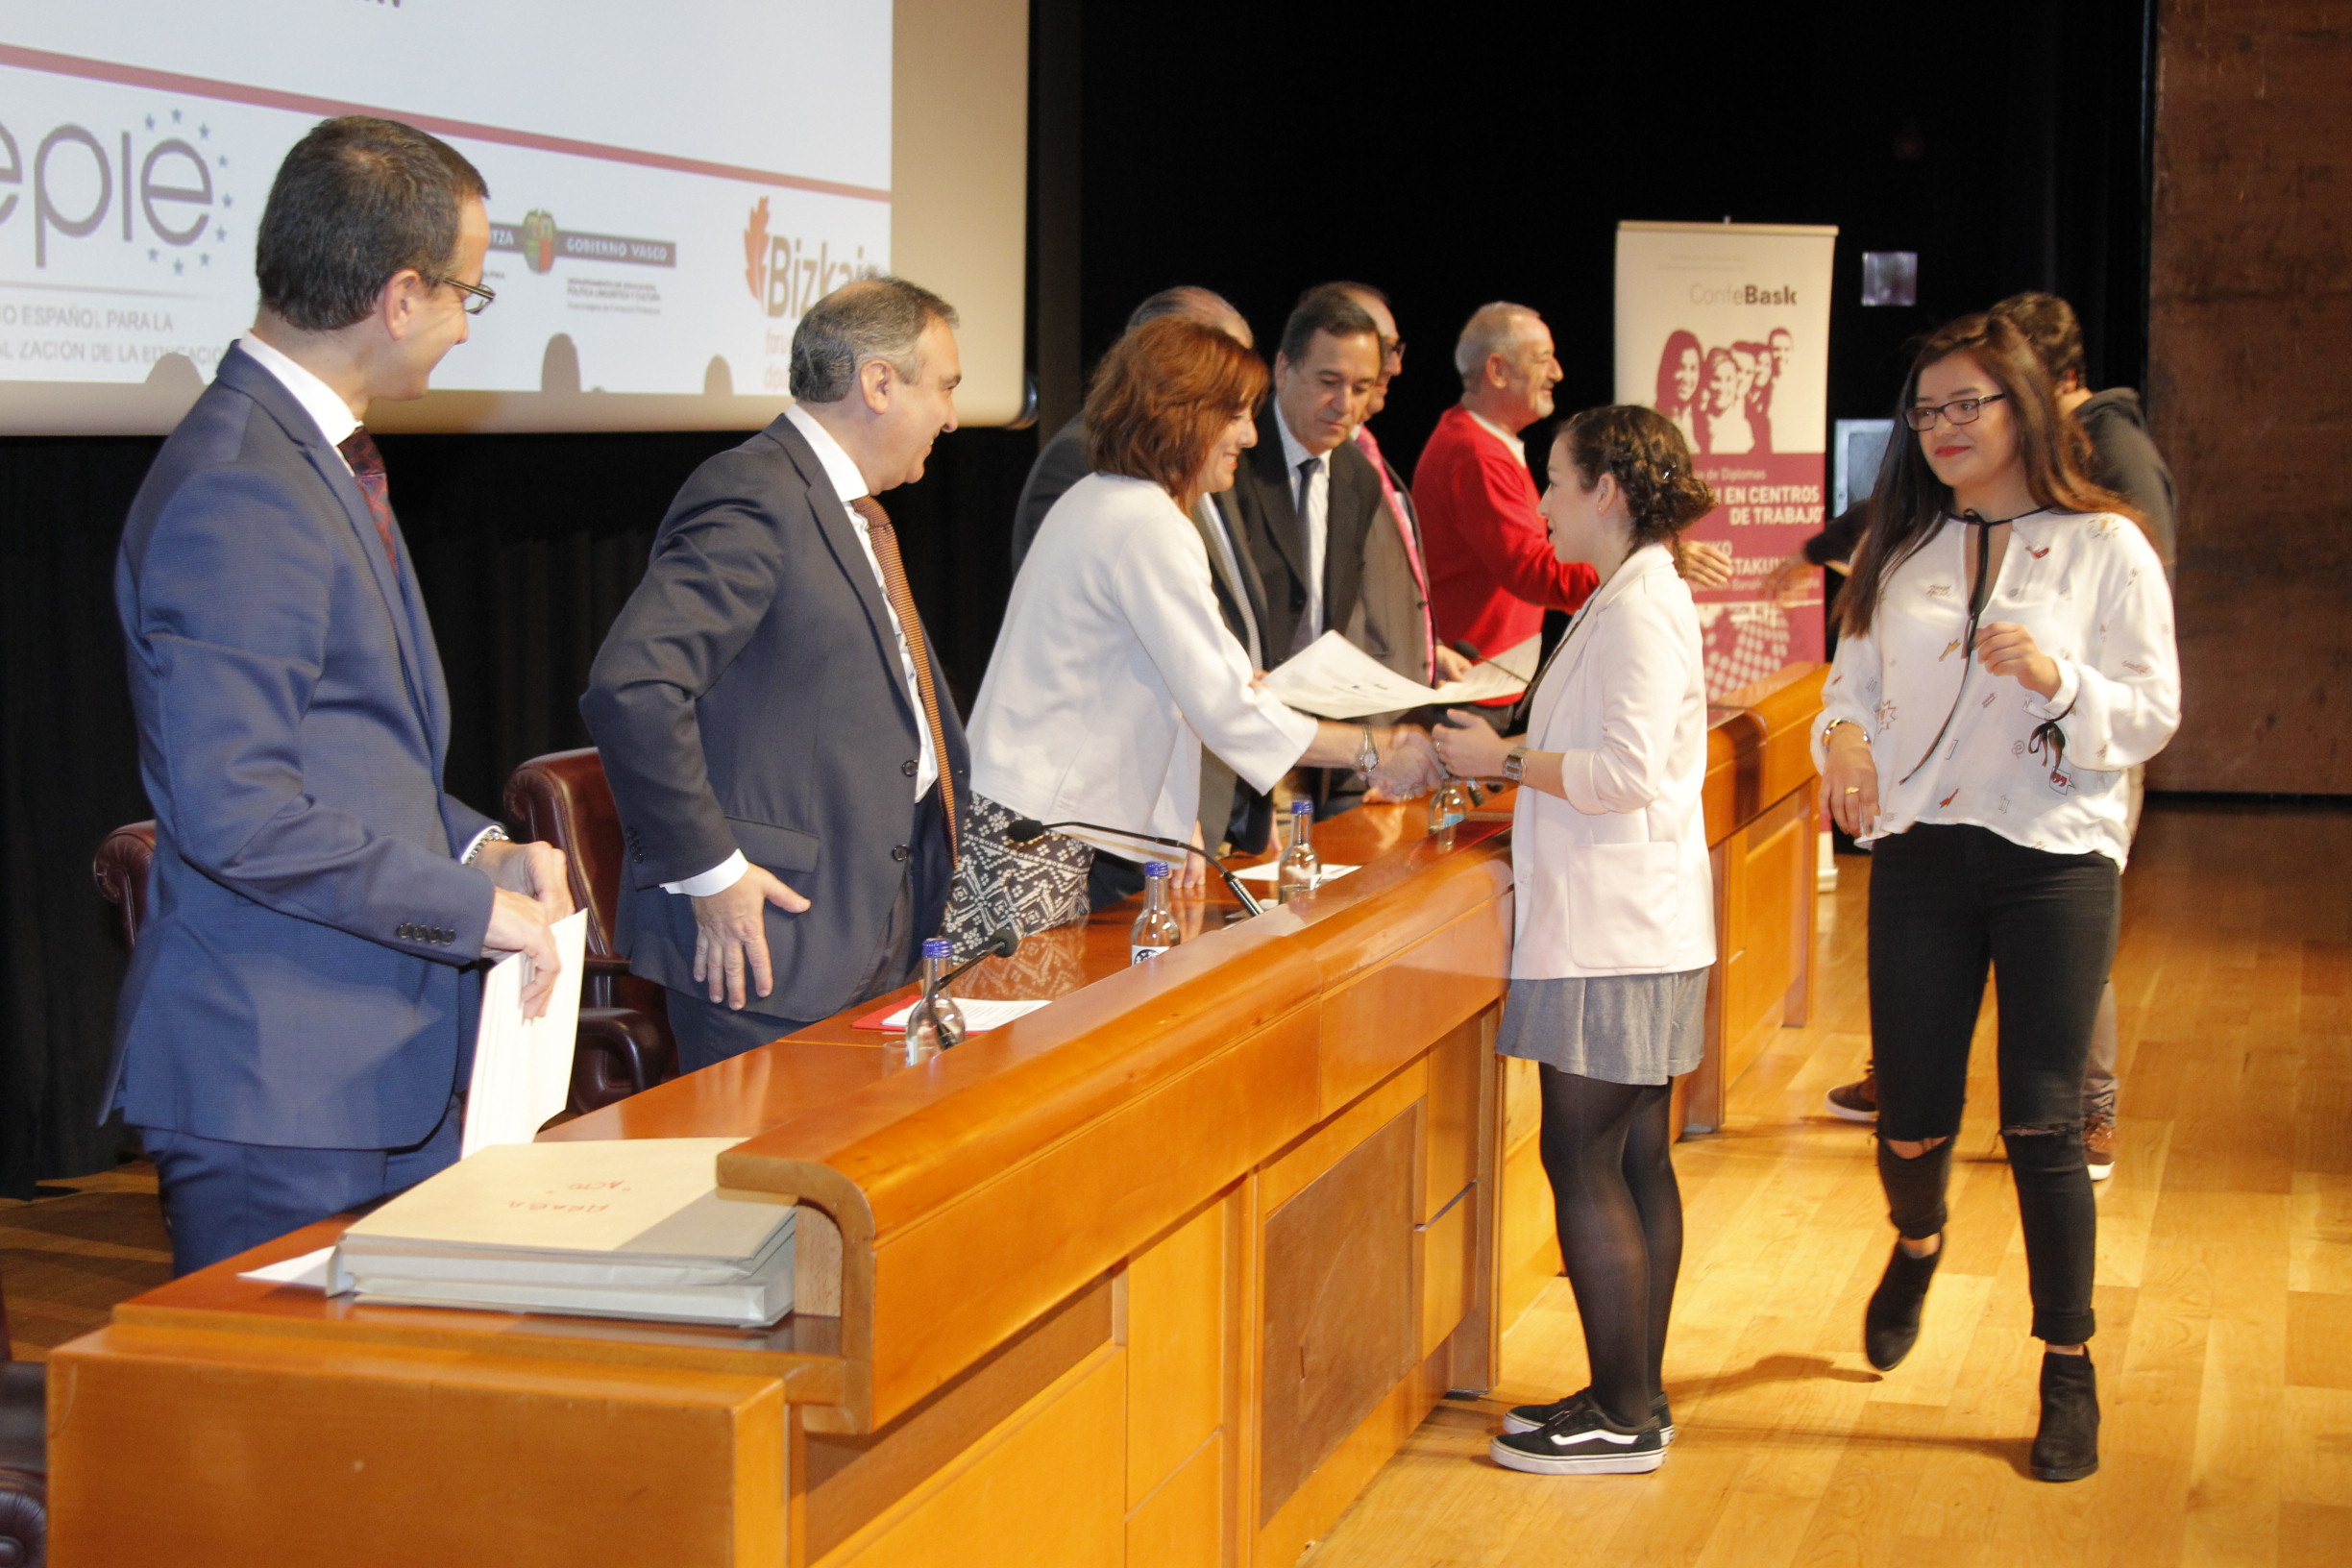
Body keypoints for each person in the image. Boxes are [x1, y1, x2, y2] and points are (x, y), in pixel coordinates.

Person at [110, 116, 573, 1276]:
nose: (469, 329)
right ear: (402, 295)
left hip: (360, 1066)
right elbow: (235, 811)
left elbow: (351, 752)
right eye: (471, 295)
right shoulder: (242, 489)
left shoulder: (308, 459)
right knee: (291, 1452)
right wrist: (471, 915)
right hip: (285, 1089)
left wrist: (477, 852)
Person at [1816, 311, 2177, 1482]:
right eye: (1926, 411)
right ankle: (1917, 1242)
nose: (1943, 429)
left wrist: (2062, 676)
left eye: (1967, 403)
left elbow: (2153, 710)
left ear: (2025, 406)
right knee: (1913, 1115)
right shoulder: (1901, 548)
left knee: (2043, 1122)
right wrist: (1845, 744)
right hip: (1923, 855)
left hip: (2053, 857)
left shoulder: (2106, 546)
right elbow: (1850, 684)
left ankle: (2066, 1365)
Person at [581, 276, 969, 1072]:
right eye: (946, 388)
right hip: (770, 949)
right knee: (767, 1197)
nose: (954, 417)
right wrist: (712, 875)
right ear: (879, 383)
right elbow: (635, 687)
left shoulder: (849, 507)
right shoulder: (755, 491)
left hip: (874, 919)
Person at [1430, 405, 1717, 1477]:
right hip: (1626, 924)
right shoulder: (1628, 596)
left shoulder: (1642, 606)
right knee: (1632, 1158)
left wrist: (1504, 760)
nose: (1539, 500)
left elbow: (1625, 774)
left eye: (1553, 479)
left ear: (1607, 491)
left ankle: (1627, 1414)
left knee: (1585, 1157)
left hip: (1616, 931)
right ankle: (1628, 1394)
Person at [951, 316, 1439, 942]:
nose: (1249, 435)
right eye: (1235, 414)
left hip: (1027, 824)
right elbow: (1225, 707)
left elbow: (1164, 687)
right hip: (1035, 838)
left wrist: (1174, 821)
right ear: (1184, 414)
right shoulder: (1145, 523)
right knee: (1023, 1028)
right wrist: (1373, 750)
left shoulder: (1104, 500)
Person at [1009, 287, 1269, 894]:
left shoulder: (1178, 468)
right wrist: (1371, 749)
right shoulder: (1097, 472)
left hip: (1177, 816)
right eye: (1228, 401)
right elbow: (1103, 667)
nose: (1248, 432)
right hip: (1096, 832)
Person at [1420, 304, 1730, 727]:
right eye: (1542, 358)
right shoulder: (1474, 454)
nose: (1558, 373)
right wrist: (1626, 565)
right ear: (1496, 370)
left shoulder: (1480, 443)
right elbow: (1534, 569)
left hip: (1484, 680)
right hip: (1470, 688)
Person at [1653, 330, 1703, 450]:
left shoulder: (1705, 421)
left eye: (1693, 368)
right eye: (1681, 367)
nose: (1687, 378)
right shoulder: (1652, 422)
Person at [1697, 346, 1752, 454]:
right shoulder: (1695, 423)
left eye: (1729, 379)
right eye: (1716, 379)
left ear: (1736, 383)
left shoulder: (1743, 430)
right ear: (1706, 382)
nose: (1722, 387)